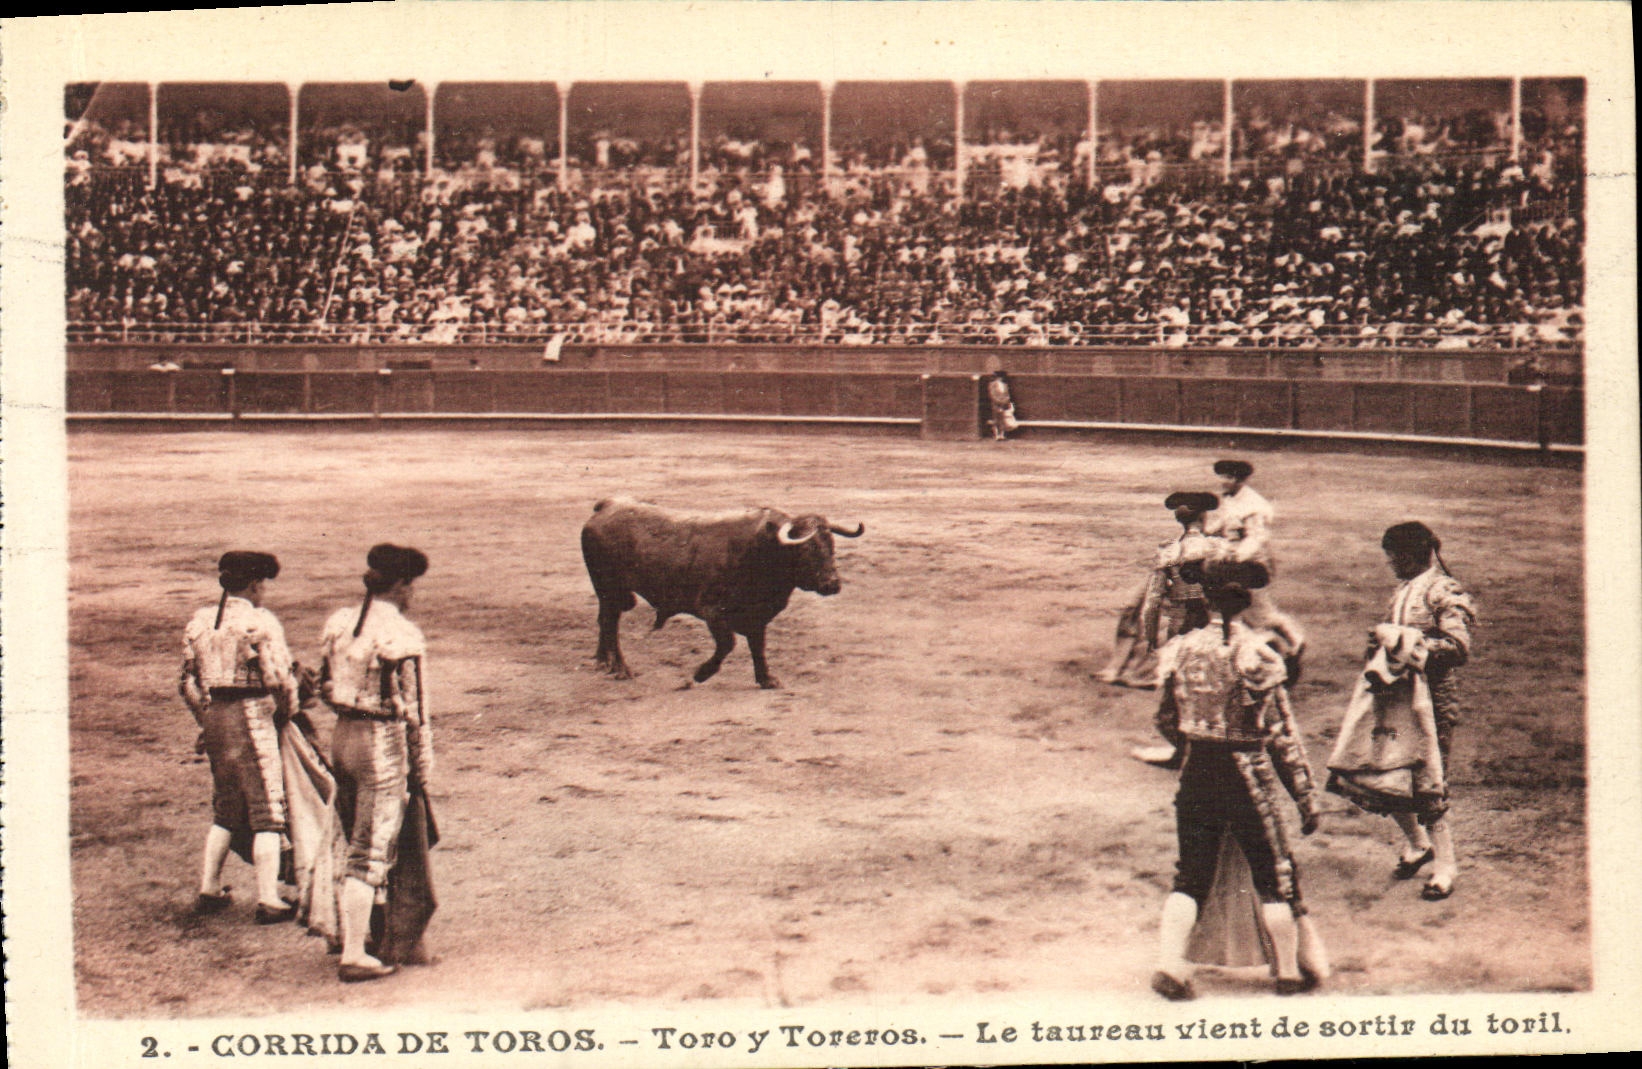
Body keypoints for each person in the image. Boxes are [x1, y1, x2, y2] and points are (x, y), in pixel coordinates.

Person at [1149, 558, 1327, 1001]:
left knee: (1189, 875)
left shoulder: (1181, 648)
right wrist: (1305, 797)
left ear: (1206, 598)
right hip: (1247, 773)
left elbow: (1165, 719)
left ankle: (1171, 967)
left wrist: (1194, 737)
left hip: (1197, 772)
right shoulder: (1257, 653)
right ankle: (1287, 972)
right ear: (1245, 601)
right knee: (1272, 874)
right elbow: (1282, 734)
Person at [1327, 522, 1475, 901]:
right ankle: (1418, 844)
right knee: (1387, 768)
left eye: (1394, 556)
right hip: (1396, 697)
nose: (1391, 563)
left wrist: (1405, 642)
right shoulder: (1407, 589)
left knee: (1428, 778)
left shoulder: (1443, 590)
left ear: (1411, 555)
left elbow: (1458, 647)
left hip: (1432, 699)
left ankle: (1446, 866)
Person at [312, 544, 435, 983]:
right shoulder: (401, 633)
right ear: (401, 586)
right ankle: (354, 955)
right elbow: (416, 711)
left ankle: (364, 937)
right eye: (412, 586)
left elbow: (322, 687)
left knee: (355, 839)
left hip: (342, 737)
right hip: (381, 743)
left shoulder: (340, 623)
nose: (413, 595)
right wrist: (421, 770)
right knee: (371, 848)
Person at [179, 550, 301, 922]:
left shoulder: (199, 622)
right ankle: (269, 900)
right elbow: (280, 678)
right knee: (267, 811)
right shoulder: (259, 621)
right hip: (252, 716)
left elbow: (187, 683)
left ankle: (210, 888)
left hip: (216, 715)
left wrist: (206, 721)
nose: (264, 591)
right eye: (263, 583)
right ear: (253, 584)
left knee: (227, 809)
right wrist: (288, 711)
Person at [1125, 491, 1224, 761]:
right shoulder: (1217, 547)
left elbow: (1153, 602)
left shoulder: (1168, 551)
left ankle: (1183, 748)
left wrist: (1150, 641)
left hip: (1181, 623)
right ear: (1204, 517)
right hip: (1215, 618)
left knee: (1176, 682)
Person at [1101, 491, 1222, 689]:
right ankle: (1128, 668)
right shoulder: (1212, 545)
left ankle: (1133, 669)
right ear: (1203, 517)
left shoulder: (1172, 547)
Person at [1203, 458, 1306, 673]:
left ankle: (1294, 641)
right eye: (1221, 476)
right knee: (1237, 608)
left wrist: (1236, 557)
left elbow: (1256, 538)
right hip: (1233, 562)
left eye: (1228, 477)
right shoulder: (1231, 499)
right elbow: (1223, 523)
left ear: (1240, 480)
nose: (1223, 481)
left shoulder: (1254, 505)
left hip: (1252, 565)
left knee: (1259, 613)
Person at [985, 370, 1019, 441]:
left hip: (1003, 404)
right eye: (1000, 377)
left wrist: (1005, 402)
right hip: (996, 404)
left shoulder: (1004, 385)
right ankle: (997, 435)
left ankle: (1002, 435)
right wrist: (1000, 402)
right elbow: (993, 395)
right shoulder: (992, 385)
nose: (1001, 378)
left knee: (1003, 420)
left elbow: (1007, 395)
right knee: (997, 419)